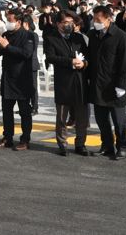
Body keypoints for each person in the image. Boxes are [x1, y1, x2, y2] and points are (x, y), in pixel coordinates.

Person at [87, 5, 126, 160]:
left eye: (98, 19)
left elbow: (125, 63)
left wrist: (121, 85)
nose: (95, 22)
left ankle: (123, 146)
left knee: (119, 120)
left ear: (109, 19)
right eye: (94, 19)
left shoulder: (121, 36)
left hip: (114, 85)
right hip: (97, 84)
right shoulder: (93, 35)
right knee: (101, 120)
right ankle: (107, 145)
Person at [44, 11, 91, 156]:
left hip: (80, 82)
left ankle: (81, 144)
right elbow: (51, 57)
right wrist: (69, 62)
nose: (69, 25)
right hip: (63, 82)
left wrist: (83, 64)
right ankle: (62, 144)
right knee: (62, 117)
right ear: (58, 24)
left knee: (82, 117)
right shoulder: (51, 38)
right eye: (65, 22)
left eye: (71, 22)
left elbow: (88, 57)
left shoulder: (79, 38)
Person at [0, 11, 35, 151]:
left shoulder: (28, 35)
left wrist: (8, 47)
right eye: (7, 20)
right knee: (6, 110)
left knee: (24, 111)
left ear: (18, 21)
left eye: (11, 20)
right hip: (8, 78)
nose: (8, 23)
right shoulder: (6, 34)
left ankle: (25, 139)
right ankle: (8, 137)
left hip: (22, 79)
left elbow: (26, 53)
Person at [22, 17, 41, 115]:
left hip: (32, 64)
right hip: (22, 65)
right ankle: (26, 106)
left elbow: (31, 50)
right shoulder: (22, 34)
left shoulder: (33, 35)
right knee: (25, 86)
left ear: (26, 24)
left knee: (33, 87)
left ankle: (35, 107)